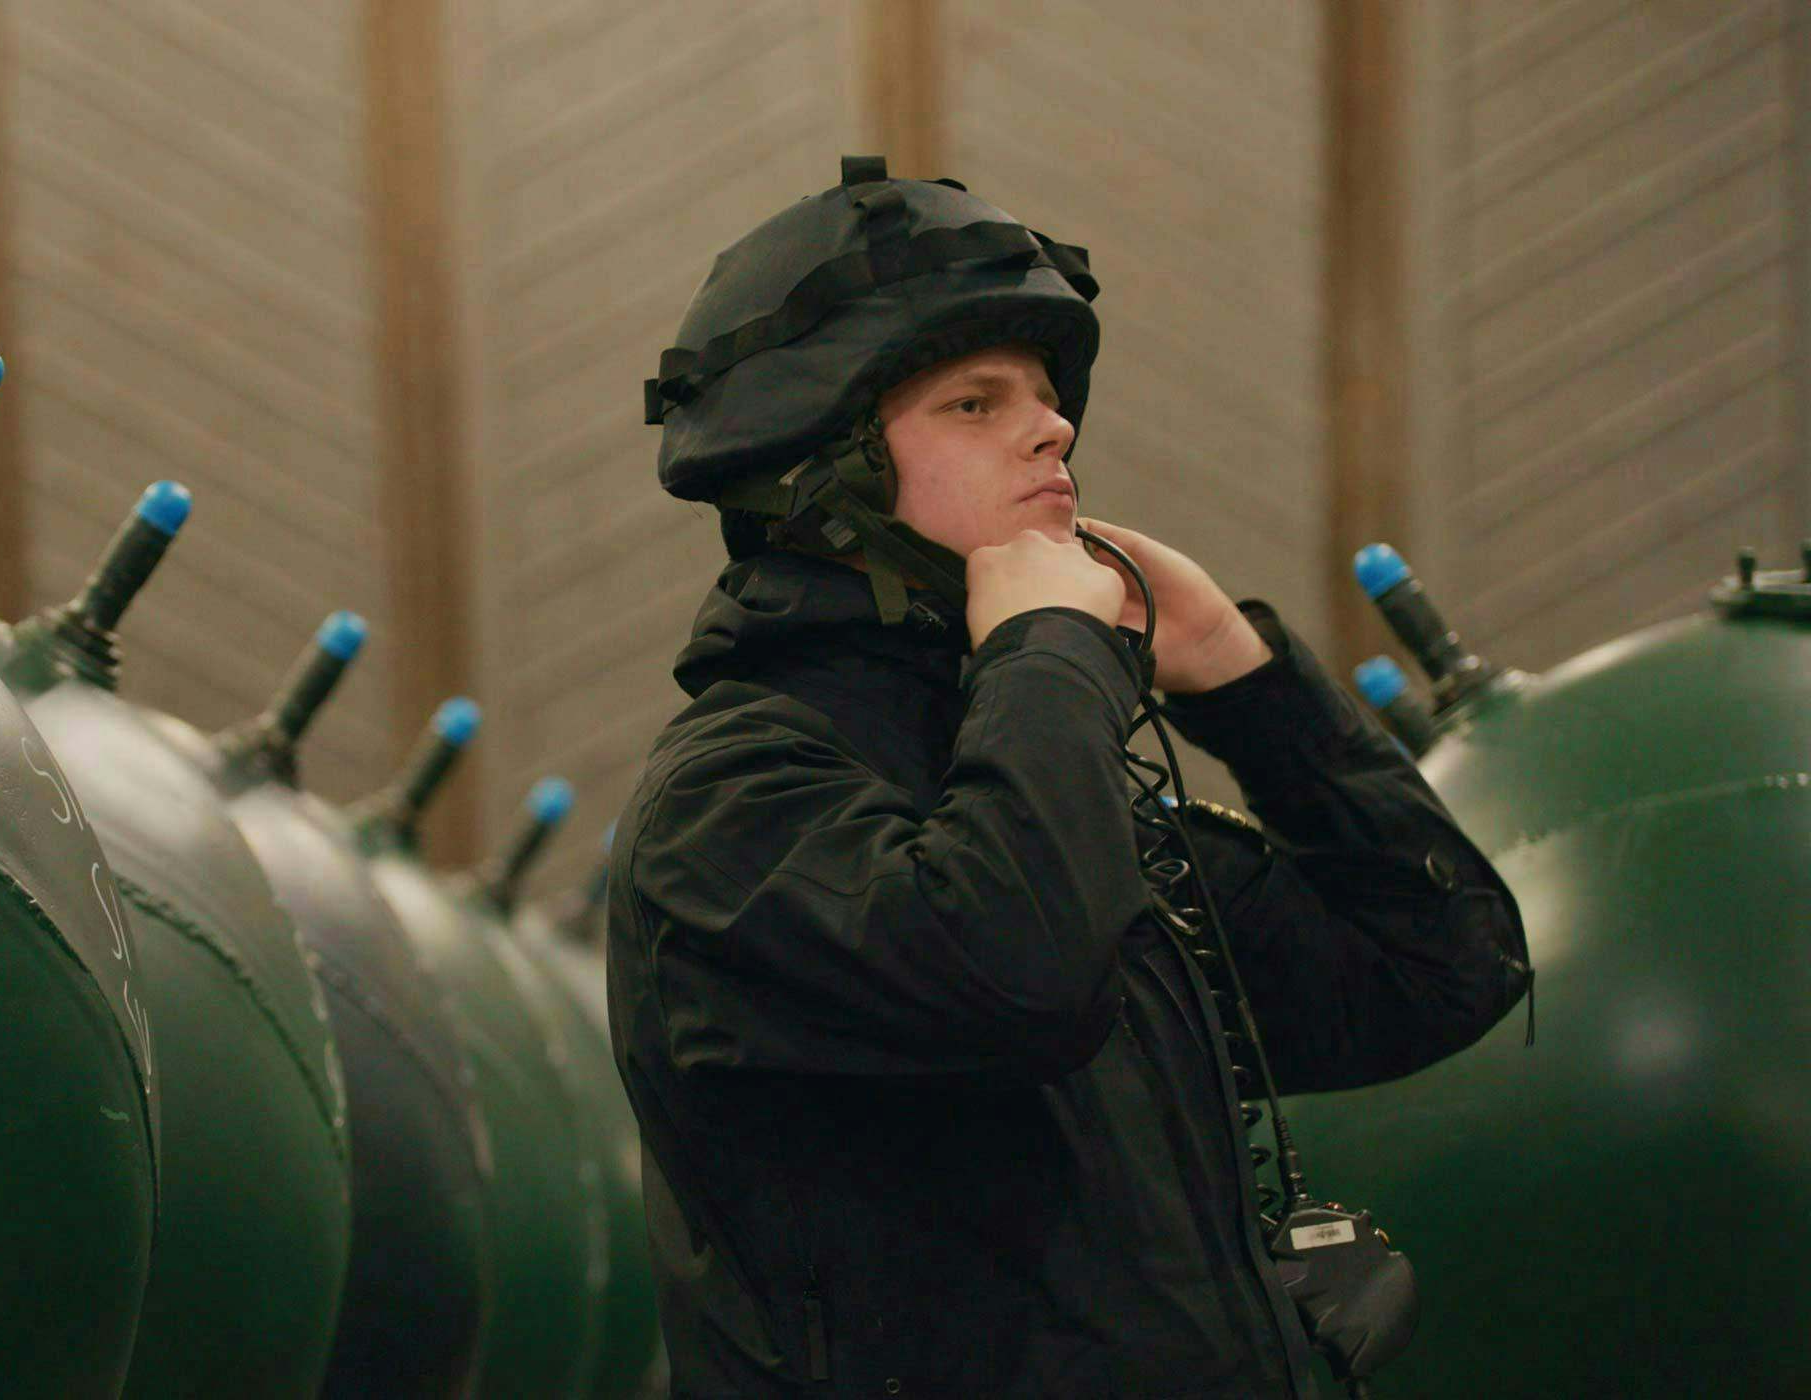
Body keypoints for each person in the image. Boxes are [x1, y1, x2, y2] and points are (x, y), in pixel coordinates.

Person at [606, 157, 1532, 1398]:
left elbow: (1439, 967)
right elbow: (1016, 971)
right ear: (825, 477)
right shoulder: (733, 799)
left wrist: (1241, 680)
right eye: (974, 403)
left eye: (1046, 396)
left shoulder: (1042, 771)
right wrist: (1051, 652)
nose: (1053, 427)